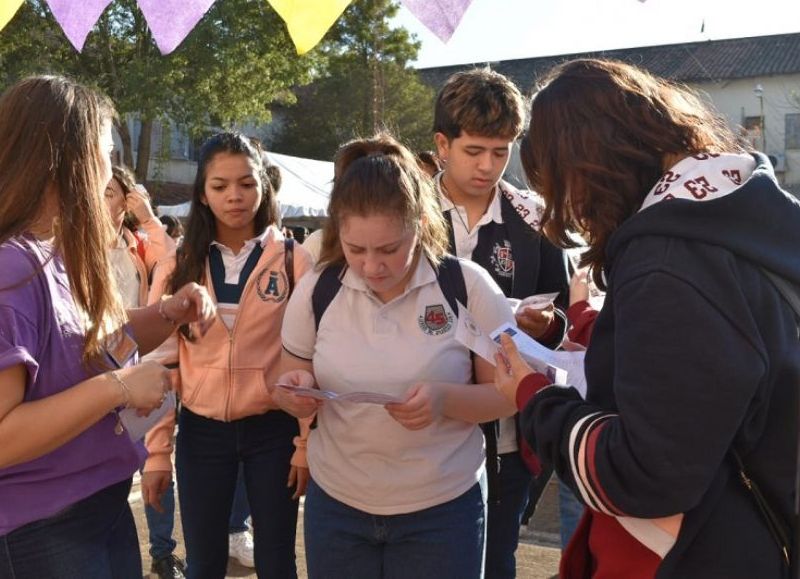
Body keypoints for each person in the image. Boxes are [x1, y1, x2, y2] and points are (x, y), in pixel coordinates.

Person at [497, 58, 799, 578]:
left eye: (560, 187)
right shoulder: (744, 217)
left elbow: (644, 475)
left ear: (588, 166)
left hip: (695, 552)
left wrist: (534, 398)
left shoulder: (667, 263)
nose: (568, 210)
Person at [271, 133, 518, 579]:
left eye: (389, 249)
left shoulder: (468, 286)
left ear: (420, 225)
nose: (371, 267)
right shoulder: (319, 288)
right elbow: (291, 373)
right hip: (338, 507)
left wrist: (444, 400)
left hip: (442, 509)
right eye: (355, 249)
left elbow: (510, 394)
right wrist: (295, 392)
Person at [0, 75, 215, 579]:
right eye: (103, 152)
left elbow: (93, 345)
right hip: (43, 527)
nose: (108, 172)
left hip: (96, 509)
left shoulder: (55, 255)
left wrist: (167, 313)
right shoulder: (12, 269)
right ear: (66, 159)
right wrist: (117, 387)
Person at [141, 131, 313, 579]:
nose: (235, 196)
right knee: (204, 564)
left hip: (274, 431)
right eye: (220, 186)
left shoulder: (294, 260)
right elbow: (162, 365)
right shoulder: (178, 264)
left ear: (264, 186)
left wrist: (305, 443)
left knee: (277, 561)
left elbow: (310, 360)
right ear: (202, 192)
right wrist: (158, 453)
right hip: (202, 434)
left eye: (247, 183)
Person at [432, 67, 570, 578]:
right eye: (475, 151)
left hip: (510, 432)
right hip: (426, 421)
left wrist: (544, 324)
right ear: (442, 143)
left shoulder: (534, 217)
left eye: (501, 151)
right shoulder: (406, 210)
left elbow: (564, 324)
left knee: (495, 561)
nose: (489, 166)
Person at [105, 165, 187, 579]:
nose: (104, 200)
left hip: (138, 362)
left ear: (127, 200)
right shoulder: (75, 242)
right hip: (93, 370)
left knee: (155, 459)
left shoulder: (137, 244)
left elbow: (172, 258)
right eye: (98, 192)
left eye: (112, 193)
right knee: (110, 470)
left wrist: (149, 217)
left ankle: (160, 550)